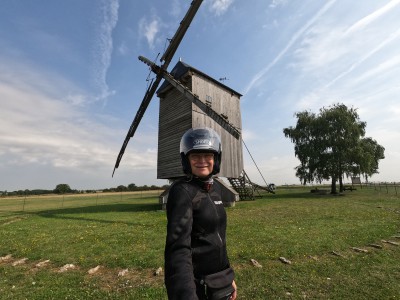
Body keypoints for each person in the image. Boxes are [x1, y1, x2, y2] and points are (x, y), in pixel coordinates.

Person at [164, 127, 237, 300]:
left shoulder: (215, 189)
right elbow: (178, 250)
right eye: (195, 155)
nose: (202, 160)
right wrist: (186, 295)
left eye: (208, 155)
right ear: (186, 159)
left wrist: (228, 276)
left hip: (219, 283)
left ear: (215, 159)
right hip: (198, 286)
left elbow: (218, 240)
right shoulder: (182, 191)